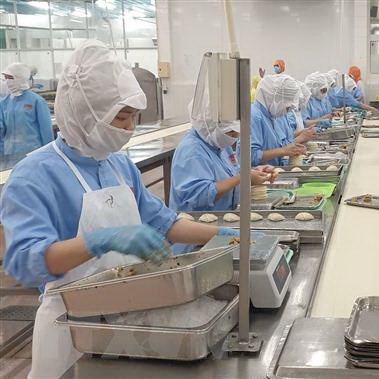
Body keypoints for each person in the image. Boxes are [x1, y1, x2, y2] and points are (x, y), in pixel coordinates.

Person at [0, 40, 241, 378]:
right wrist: (101, 240)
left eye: (133, 118)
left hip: (133, 314)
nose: (128, 129)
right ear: (86, 112)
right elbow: (25, 263)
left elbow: (166, 223)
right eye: (121, 118)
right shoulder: (34, 175)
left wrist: (227, 236)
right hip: (73, 330)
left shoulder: (118, 165)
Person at [169, 101, 273, 212]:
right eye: (231, 133)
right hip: (197, 223)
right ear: (210, 126)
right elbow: (200, 197)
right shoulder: (191, 151)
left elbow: (233, 175)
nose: (234, 137)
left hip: (224, 216)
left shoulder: (218, 143)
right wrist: (243, 177)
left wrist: (254, 172)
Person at [249, 74, 306, 166]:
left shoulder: (272, 117)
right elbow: (250, 156)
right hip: (260, 177)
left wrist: (291, 151)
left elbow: (278, 149)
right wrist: (283, 151)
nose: (287, 111)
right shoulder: (254, 116)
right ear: (274, 98)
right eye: (287, 106)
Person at [0, 62, 53, 156]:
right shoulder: (4, 102)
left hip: (33, 153)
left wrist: (49, 154)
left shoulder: (37, 101)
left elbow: (46, 130)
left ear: (21, 78)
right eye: (6, 78)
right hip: (9, 155)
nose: (7, 81)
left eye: (11, 78)